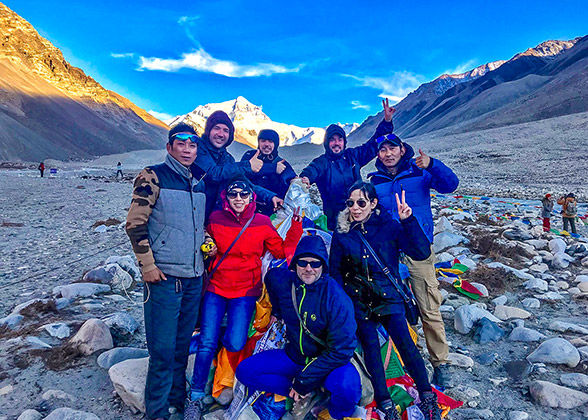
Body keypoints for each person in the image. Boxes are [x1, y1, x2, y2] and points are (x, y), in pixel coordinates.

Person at [184, 175, 303, 420]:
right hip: (216, 288)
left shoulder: (260, 222)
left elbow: (280, 251)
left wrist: (296, 227)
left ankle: (219, 353)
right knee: (206, 342)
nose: (239, 199)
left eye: (243, 194)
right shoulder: (216, 219)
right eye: (233, 194)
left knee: (236, 342)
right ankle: (195, 397)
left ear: (251, 197)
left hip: (246, 291)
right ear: (226, 198)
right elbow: (204, 241)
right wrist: (207, 244)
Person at [329, 182, 441, 420]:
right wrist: (344, 305)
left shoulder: (390, 227)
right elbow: (335, 272)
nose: (355, 208)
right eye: (351, 203)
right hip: (358, 301)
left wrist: (408, 221)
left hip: (388, 296)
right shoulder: (342, 234)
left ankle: (427, 397)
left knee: (406, 346)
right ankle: (385, 404)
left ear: (373, 203)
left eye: (361, 203)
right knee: (371, 348)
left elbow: (420, 252)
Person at [125, 123, 206, 420]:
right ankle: (157, 411)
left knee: (182, 344)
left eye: (192, 145)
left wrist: (206, 242)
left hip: (194, 276)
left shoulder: (198, 182)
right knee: (161, 349)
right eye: (181, 144)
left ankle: (178, 400)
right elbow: (135, 223)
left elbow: (199, 227)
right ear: (170, 147)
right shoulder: (153, 175)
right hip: (163, 278)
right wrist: (147, 265)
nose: (187, 150)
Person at [236, 235, 361, 420]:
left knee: (348, 388)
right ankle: (305, 394)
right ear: (295, 264)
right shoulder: (285, 281)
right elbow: (271, 277)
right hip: (294, 356)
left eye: (315, 264)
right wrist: (277, 312)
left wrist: (304, 380)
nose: (308, 268)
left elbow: (342, 350)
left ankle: (333, 413)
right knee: (245, 372)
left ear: (323, 266)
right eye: (302, 262)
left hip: (327, 363)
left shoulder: (335, 297)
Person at [369, 134, 458, 388]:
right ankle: (410, 361)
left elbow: (451, 185)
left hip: (418, 249)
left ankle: (440, 363)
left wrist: (432, 164)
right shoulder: (375, 182)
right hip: (389, 253)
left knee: (428, 306)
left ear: (402, 149)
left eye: (392, 148)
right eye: (382, 149)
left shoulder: (419, 172)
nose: (387, 153)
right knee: (398, 308)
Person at [299, 100, 395, 231]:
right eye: (332, 140)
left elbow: (375, 143)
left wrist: (387, 122)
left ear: (344, 142)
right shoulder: (322, 162)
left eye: (339, 139)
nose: (336, 143)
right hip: (336, 222)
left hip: (361, 214)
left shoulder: (353, 156)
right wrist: (306, 178)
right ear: (327, 143)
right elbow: (311, 170)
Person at [193, 110, 283, 220]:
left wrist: (270, 197)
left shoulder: (228, 158)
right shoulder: (196, 148)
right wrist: (248, 166)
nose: (221, 134)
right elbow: (213, 173)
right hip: (194, 216)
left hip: (215, 219)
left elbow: (245, 184)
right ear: (208, 130)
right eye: (217, 128)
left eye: (226, 130)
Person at [240, 129, 297, 215]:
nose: (266, 144)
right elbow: (240, 175)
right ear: (258, 143)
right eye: (263, 141)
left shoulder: (282, 163)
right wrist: (272, 168)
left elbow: (293, 181)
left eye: (270, 141)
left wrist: (299, 181)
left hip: (273, 211)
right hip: (248, 209)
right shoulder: (250, 157)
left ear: (275, 144)